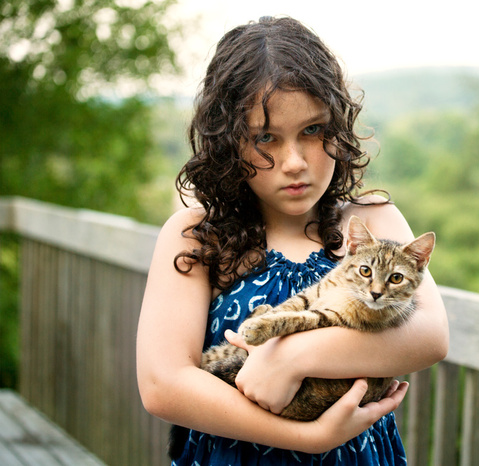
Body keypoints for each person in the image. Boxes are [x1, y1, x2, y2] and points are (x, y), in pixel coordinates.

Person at [136, 16, 449, 465]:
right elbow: (163, 385)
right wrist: (307, 438)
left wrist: (292, 356)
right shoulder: (195, 237)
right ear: (229, 143)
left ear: (338, 126)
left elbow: (430, 336)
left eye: (313, 130)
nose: (295, 162)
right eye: (266, 137)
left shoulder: (373, 221)